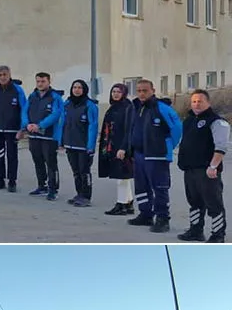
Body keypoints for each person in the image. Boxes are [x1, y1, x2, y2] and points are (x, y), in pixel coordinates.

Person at [125, 79, 183, 233]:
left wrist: (167, 146)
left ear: (153, 90)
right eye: (139, 90)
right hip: (139, 154)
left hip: (157, 155)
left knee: (160, 188)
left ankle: (163, 219)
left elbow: (177, 128)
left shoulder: (162, 108)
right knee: (141, 187)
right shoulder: (137, 107)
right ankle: (145, 214)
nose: (142, 94)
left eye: (145, 90)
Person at [177, 89, 229, 242]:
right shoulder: (188, 121)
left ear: (208, 102)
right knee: (194, 202)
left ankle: (218, 235)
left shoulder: (217, 122)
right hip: (190, 169)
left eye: (200, 101)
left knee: (214, 204)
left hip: (207, 171)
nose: (196, 104)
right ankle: (196, 231)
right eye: (194, 101)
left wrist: (213, 166)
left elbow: (221, 147)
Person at [0, 65, 29, 192]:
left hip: (12, 129)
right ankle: (0, 180)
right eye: (0, 75)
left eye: (5, 74)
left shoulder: (17, 90)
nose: (2, 77)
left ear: (9, 74)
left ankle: (12, 181)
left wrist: (22, 128)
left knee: (12, 155)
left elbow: (24, 109)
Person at [59, 79, 99, 207]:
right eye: (74, 87)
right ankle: (79, 194)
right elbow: (62, 123)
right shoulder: (67, 104)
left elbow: (93, 126)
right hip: (70, 143)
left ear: (84, 90)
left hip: (83, 146)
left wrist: (90, 146)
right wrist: (61, 141)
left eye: (79, 87)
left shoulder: (89, 105)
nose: (76, 90)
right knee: (76, 171)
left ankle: (86, 196)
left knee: (84, 171)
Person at [25, 72, 64, 199]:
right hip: (34, 135)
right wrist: (27, 124)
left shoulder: (55, 97)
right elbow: (25, 111)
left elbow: (56, 114)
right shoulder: (32, 96)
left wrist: (40, 125)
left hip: (49, 136)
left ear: (49, 81)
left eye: (43, 81)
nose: (40, 84)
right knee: (38, 161)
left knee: (51, 163)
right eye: (38, 81)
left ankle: (53, 189)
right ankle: (42, 186)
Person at [98, 83, 136, 215]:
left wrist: (124, 148)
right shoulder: (113, 107)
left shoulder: (127, 107)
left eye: (118, 92)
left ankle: (121, 204)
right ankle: (129, 202)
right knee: (122, 176)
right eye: (113, 91)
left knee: (122, 176)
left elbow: (129, 129)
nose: (115, 94)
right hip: (111, 146)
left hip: (122, 146)